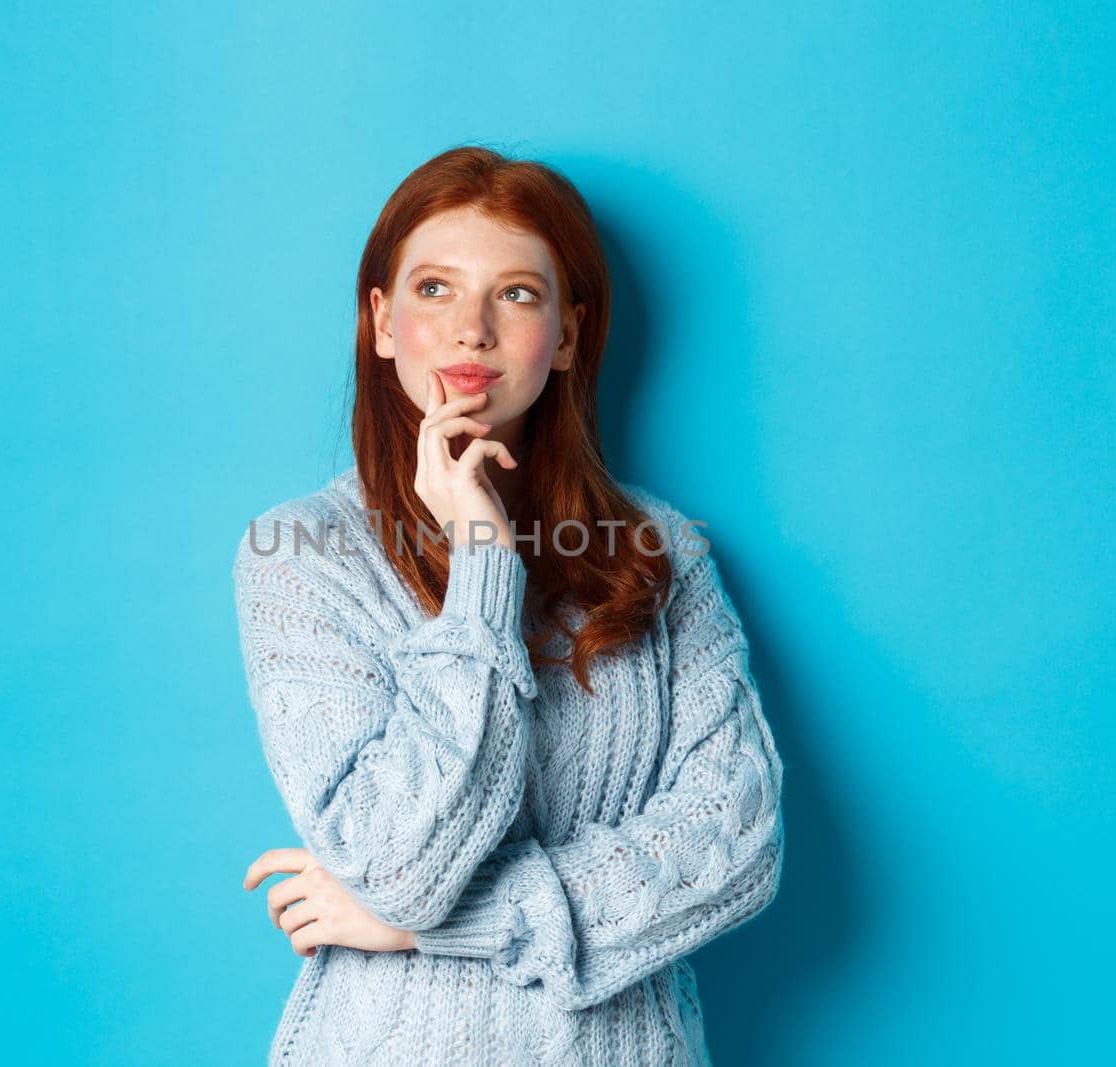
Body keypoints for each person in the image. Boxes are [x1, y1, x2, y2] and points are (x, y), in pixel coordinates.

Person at [233, 145, 785, 1065]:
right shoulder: (298, 556)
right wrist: (486, 563)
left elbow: (735, 843)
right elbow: (398, 862)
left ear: (569, 334)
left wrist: (444, 925)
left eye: (517, 294)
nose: (471, 332)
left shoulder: (664, 551)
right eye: (436, 290)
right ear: (380, 321)